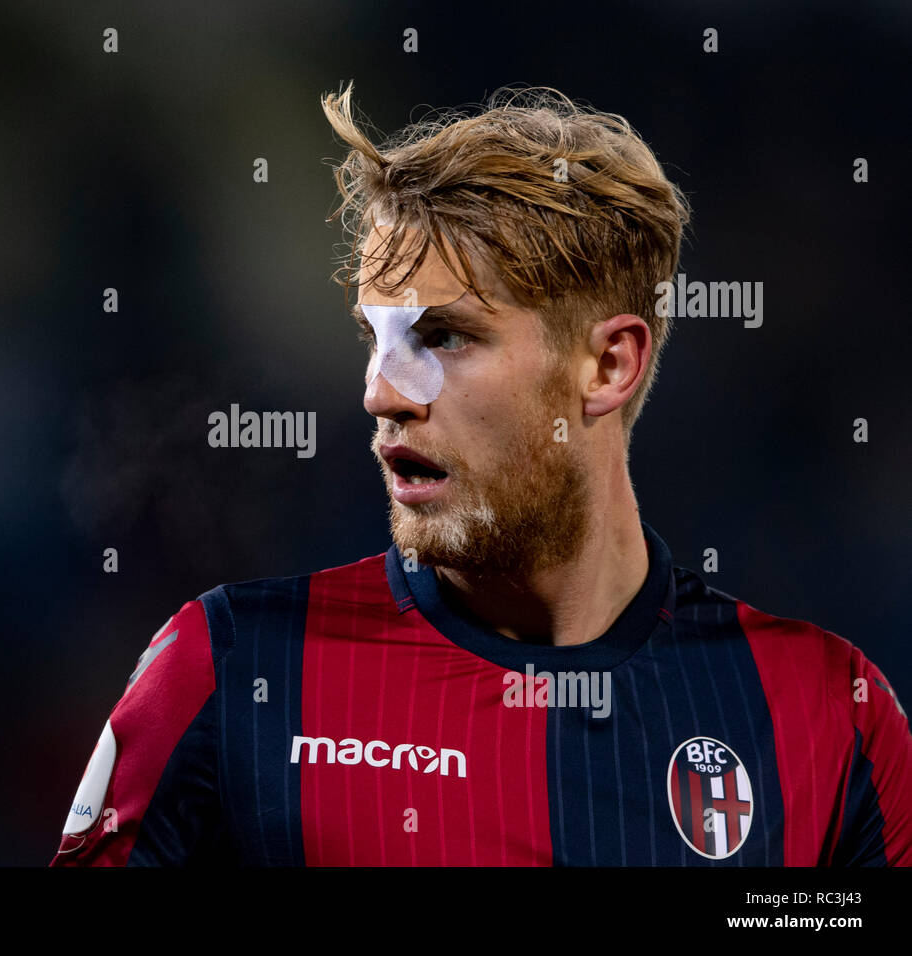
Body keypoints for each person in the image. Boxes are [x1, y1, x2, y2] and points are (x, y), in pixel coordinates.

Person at [50, 82, 911, 866]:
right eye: (375, 339)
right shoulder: (232, 669)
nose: (381, 393)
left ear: (609, 366)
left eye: (445, 337)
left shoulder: (829, 714)